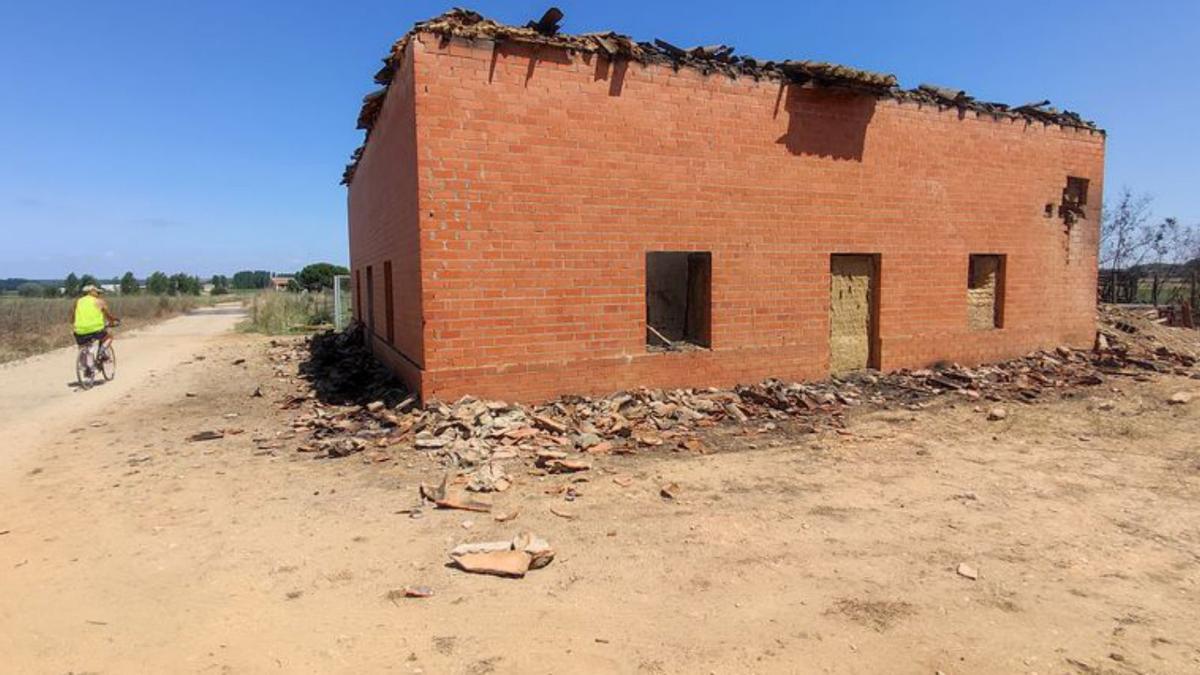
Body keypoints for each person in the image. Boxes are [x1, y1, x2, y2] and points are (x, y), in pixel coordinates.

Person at [72, 285, 119, 357]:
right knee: (109, 336)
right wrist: (113, 321)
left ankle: (83, 362)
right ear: (91, 292)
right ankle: (102, 351)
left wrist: (75, 325)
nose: (98, 294)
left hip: (79, 330)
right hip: (96, 329)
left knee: (82, 345)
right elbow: (108, 316)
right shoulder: (99, 301)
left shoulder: (78, 302)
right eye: (97, 292)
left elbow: (73, 317)